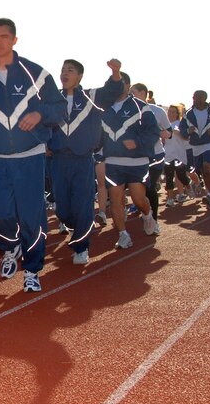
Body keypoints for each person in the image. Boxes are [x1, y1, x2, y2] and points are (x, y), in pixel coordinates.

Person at [0, 18, 65, 292]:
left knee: (30, 216)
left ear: (14, 39)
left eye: (4, 36)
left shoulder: (35, 73)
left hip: (30, 156)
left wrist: (40, 113)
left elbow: (59, 109)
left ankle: (33, 269)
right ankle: (10, 247)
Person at [48, 59, 123, 265]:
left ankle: (81, 247)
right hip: (58, 160)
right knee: (62, 209)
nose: (64, 73)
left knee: (82, 204)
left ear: (79, 76)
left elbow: (111, 91)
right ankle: (81, 226)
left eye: (70, 70)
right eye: (62, 70)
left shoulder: (90, 97)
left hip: (82, 160)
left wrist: (116, 73)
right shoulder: (53, 98)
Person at [100, 64, 159, 248]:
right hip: (113, 161)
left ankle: (148, 216)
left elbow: (153, 132)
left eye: (118, 82)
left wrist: (138, 143)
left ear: (126, 85)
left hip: (137, 161)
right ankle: (123, 234)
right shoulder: (103, 108)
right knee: (115, 199)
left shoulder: (141, 107)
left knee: (138, 199)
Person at [178, 91, 210, 210]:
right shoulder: (188, 114)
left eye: (196, 97)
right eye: (193, 97)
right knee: (202, 170)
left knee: (207, 167)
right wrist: (187, 131)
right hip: (196, 145)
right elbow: (182, 128)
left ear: (203, 98)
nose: (194, 99)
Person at [130, 83, 171, 230]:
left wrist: (163, 133)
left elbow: (169, 131)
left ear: (143, 93)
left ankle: (154, 220)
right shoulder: (127, 111)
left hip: (155, 155)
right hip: (136, 157)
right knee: (139, 190)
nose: (130, 95)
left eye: (133, 92)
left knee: (150, 187)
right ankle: (146, 213)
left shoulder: (158, 111)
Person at [163, 104, 192, 206]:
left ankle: (188, 187)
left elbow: (186, 137)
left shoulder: (180, 124)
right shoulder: (164, 124)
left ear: (177, 114)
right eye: (169, 111)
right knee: (169, 177)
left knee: (181, 175)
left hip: (179, 154)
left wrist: (176, 132)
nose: (170, 114)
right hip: (168, 154)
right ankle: (170, 199)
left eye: (173, 112)